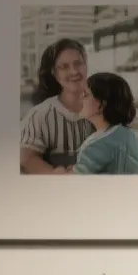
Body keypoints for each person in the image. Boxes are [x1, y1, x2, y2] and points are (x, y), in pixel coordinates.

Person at [19, 37, 95, 174]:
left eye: (78, 64)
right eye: (64, 67)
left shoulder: (102, 108)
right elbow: (26, 158)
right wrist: (61, 179)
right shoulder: (40, 115)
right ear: (54, 73)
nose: (73, 72)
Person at [73, 72, 138, 175]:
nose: (80, 99)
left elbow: (75, 183)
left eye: (85, 95)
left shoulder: (95, 147)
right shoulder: (133, 137)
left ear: (102, 104)